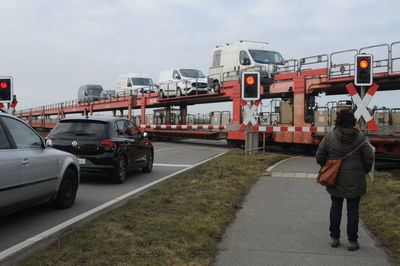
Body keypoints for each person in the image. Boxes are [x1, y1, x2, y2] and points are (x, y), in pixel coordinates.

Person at [316, 109, 374, 251]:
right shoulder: (360, 137)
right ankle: (353, 241)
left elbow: (319, 156)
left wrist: (328, 166)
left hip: (335, 178)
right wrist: (364, 170)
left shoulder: (330, 136)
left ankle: (334, 238)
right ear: (352, 121)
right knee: (353, 209)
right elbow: (368, 157)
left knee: (335, 207)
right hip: (355, 178)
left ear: (338, 120)